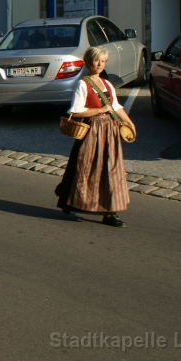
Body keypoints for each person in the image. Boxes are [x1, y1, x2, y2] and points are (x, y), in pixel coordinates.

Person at [54, 46, 136, 227]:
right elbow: (75, 111)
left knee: (112, 170)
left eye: (103, 61)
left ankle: (110, 212)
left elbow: (116, 107)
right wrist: (100, 110)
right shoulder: (83, 84)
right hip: (92, 132)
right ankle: (71, 200)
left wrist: (129, 122)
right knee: (84, 168)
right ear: (89, 62)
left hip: (110, 132)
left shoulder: (107, 84)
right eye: (97, 60)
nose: (100, 64)